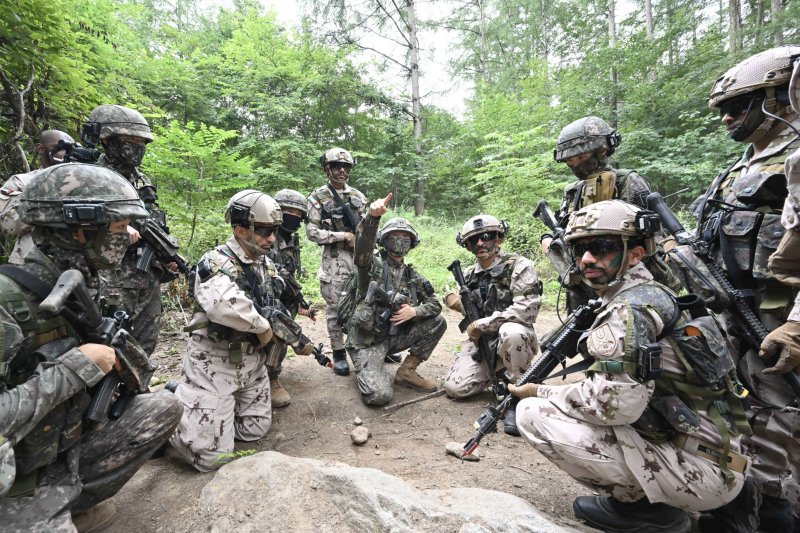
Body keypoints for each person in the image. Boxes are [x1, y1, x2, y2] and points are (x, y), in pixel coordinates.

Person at [515, 200, 751, 533]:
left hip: (704, 471)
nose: (586, 259)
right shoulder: (654, 292)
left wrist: (542, 390)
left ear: (636, 254)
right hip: (720, 454)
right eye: (580, 249)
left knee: (532, 413)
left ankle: (645, 511)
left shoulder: (629, 309)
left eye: (603, 247)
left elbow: (615, 407)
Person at [0, 163, 182, 531]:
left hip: (58, 447)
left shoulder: (84, 283)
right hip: (18, 477)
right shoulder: (8, 303)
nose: (130, 236)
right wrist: (74, 369)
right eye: (118, 228)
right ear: (79, 231)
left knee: (162, 406)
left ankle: (74, 504)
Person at [694, 45, 800, 533]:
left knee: (776, 416)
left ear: (781, 95)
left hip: (777, 321)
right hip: (734, 313)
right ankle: (735, 503)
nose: (727, 119)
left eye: (739, 106)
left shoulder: (795, 159)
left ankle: (771, 511)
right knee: (731, 411)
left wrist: (797, 325)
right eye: (724, 110)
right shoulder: (742, 166)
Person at [169, 190, 314, 472]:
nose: (272, 238)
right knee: (209, 460)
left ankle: (210, 414)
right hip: (215, 363)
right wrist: (262, 327)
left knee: (254, 430)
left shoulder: (265, 263)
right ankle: (174, 404)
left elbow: (277, 299)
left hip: (250, 364)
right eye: (263, 231)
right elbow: (223, 305)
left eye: (273, 231)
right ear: (240, 230)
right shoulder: (216, 262)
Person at [542, 116, 679, 311]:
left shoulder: (627, 182)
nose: (576, 165)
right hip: (585, 281)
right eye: (570, 161)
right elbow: (564, 227)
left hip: (628, 281)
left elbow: (654, 237)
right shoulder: (573, 191)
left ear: (603, 151)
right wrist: (548, 240)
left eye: (581, 157)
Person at [83, 104, 178, 355]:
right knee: (108, 343)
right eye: (130, 141)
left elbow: (152, 222)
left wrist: (165, 258)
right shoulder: (88, 177)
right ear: (107, 141)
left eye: (142, 142)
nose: (137, 148)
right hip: (108, 278)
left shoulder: (142, 181)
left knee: (146, 342)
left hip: (145, 276)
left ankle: (137, 390)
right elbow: (72, 224)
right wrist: (115, 229)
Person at [443, 215, 541, 436]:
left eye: (487, 237)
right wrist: (453, 301)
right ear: (467, 245)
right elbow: (461, 301)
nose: (480, 243)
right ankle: (499, 373)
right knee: (455, 388)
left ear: (499, 238)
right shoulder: (468, 275)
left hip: (515, 337)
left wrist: (484, 324)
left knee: (511, 332)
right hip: (485, 344)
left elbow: (528, 309)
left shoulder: (519, 266)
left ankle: (518, 393)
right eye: (474, 239)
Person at [346, 193, 445, 406]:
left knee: (438, 321)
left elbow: (435, 303)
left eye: (405, 237)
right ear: (384, 240)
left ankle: (407, 371)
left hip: (392, 337)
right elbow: (362, 250)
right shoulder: (372, 265)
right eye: (394, 236)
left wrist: (414, 311)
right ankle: (371, 365)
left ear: (411, 243)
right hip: (367, 342)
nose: (400, 241)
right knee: (379, 397)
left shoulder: (412, 275)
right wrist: (372, 218)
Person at [306, 147, 367, 376]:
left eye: (346, 167)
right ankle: (339, 352)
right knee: (335, 308)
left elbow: (367, 227)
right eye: (336, 166)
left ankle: (369, 345)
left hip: (360, 258)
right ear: (327, 168)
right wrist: (342, 236)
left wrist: (364, 242)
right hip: (334, 260)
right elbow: (312, 232)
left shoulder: (358, 197)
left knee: (365, 303)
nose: (342, 170)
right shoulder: (318, 197)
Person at [267, 188, 315, 408]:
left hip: (285, 296)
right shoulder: (266, 237)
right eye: (287, 211)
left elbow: (290, 273)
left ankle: (272, 377)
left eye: (297, 213)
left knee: (282, 338)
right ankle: (266, 377)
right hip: (264, 298)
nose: (292, 216)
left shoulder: (292, 241)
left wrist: (298, 300)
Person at [0, 129, 75, 264]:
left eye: (72, 150)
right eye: (61, 148)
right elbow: (10, 225)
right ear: (41, 148)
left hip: (77, 265)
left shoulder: (85, 183)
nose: (67, 154)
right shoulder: (21, 182)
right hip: (30, 264)